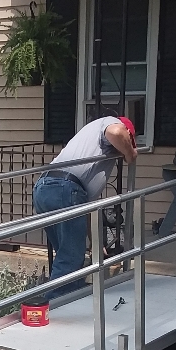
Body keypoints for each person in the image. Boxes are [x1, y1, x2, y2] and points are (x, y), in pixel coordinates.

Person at [33, 116, 138, 300]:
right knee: (71, 257)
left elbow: (85, 207)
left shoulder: (94, 145)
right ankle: (54, 307)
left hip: (46, 189)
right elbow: (116, 132)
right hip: (65, 188)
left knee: (68, 255)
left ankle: (71, 299)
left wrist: (95, 242)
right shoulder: (110, 123)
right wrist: (131, 154)